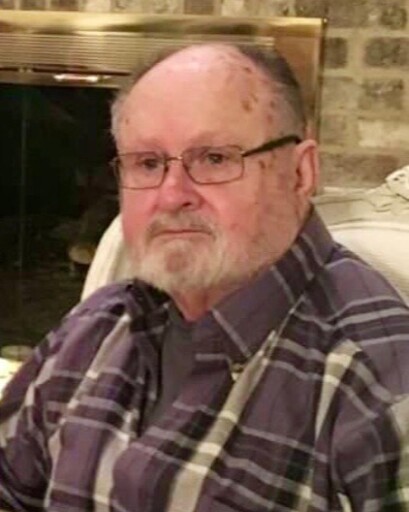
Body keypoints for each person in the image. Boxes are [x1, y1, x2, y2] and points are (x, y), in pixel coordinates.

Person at [1, 43, 409, 512]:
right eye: (147, 163)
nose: (171, 195)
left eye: (214, 158)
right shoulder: (96, 327)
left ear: (301, 172)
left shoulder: (381, 386)